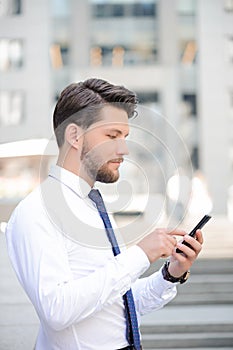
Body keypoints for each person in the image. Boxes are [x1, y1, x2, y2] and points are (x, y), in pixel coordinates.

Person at [6, 78, 203, 350]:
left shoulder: (91, 206)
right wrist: (140, 254)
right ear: (74, 136)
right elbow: (57, 310)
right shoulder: (38, 211)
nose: (123, 150)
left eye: (125, 137)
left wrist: (171, 273)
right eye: (112, 136)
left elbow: (119, 305)